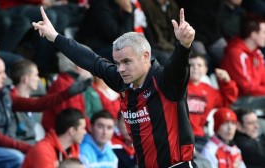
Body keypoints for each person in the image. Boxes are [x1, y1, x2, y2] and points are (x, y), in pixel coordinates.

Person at [33, 7, 196, 167]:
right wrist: (54, 36)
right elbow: (91, 60)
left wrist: (184, 45)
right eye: (117, 63)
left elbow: (180, 65)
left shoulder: (167, 80)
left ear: (145, 56)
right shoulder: (123, 81)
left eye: (126, 62)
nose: (120, 69)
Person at [187, 53, 238, 152]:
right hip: (179, 136)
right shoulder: (177, 86)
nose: (195, 68)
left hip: (199, 136)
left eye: (199, 65)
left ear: (205, 69)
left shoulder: (210, 91)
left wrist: (226, 82)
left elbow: (227, 100)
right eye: (191, 65)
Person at [221, 14, 265, 111]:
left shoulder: (257, 53)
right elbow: (247, 87)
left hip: (254, 96)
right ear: (253, 34)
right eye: (264, 32)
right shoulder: (236, 53)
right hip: (237, 100)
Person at [22, 108, 87, 168]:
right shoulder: (43, 151)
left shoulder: (73, 149)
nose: (85, 132)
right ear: (72, 131)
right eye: (83, 128)